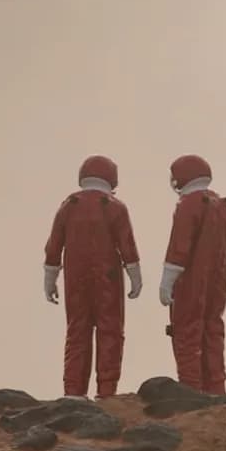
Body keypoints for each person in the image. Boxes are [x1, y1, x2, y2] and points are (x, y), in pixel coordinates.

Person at [43, 154, 144, 400]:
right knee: (110, 330)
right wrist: (135, 276)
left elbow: (54, 245)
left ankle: (73, 391)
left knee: (78, 330)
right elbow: (127, 245)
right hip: (108, 276)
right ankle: (106, 391)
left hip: (75, 277)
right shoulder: (115, 207)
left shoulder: (69, 205)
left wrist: (50, 278)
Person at [157, 153, 226, 395]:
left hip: (190, 283)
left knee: (186, 333)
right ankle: (217, 388)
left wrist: (167, 282)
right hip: (217, 284)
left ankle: (191, 391)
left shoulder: (188, 205)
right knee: (213, 332)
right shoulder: (223, 205)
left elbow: (179, 248)